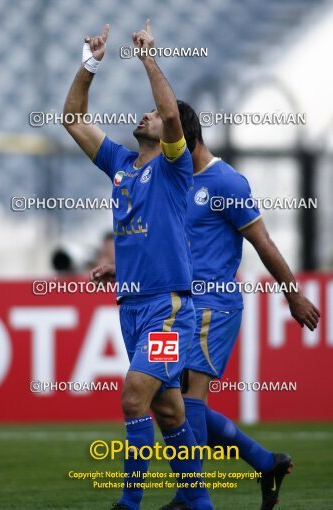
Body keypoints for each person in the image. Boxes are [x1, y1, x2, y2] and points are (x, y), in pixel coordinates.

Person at [93, 101, 320, 510]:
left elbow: (263, 241)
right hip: (177, 301)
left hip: (213, 305)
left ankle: (187, 498)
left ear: (182, 136)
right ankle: (263, 462)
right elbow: (166, 243)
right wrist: (124, 266)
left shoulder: (226, 183)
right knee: (171, 400)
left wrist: (292, 293)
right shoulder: (166, 179)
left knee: (188, 400)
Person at [63, 21, 213, 510]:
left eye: (154, 114)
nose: (147, 115)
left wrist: (148, 55)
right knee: (169, 412)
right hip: (132, 305)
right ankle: (199, 502)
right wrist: (91, 63)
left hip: (169, 308)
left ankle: (129, 503)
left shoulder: (174, 166)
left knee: (133, 398)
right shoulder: (123, 164)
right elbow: (71, 118)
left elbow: (171, 115)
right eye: (146, 112)